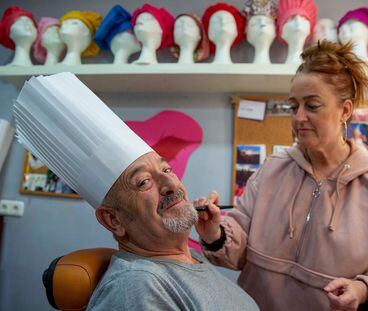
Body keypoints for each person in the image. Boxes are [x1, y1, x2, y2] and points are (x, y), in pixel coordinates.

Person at [195, 41, 368, 310]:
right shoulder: (271, 170)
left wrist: (363, 289)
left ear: (345, 110)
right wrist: (214, 233)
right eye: (293, 106)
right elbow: (238, 249)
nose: (299, 117)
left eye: (312, 106)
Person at [13, 72, 258, 311]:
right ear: (113, 219)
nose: (171, 184)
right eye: (143, 182)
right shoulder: (137, 287)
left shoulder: (190, 258)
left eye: (167, 169)